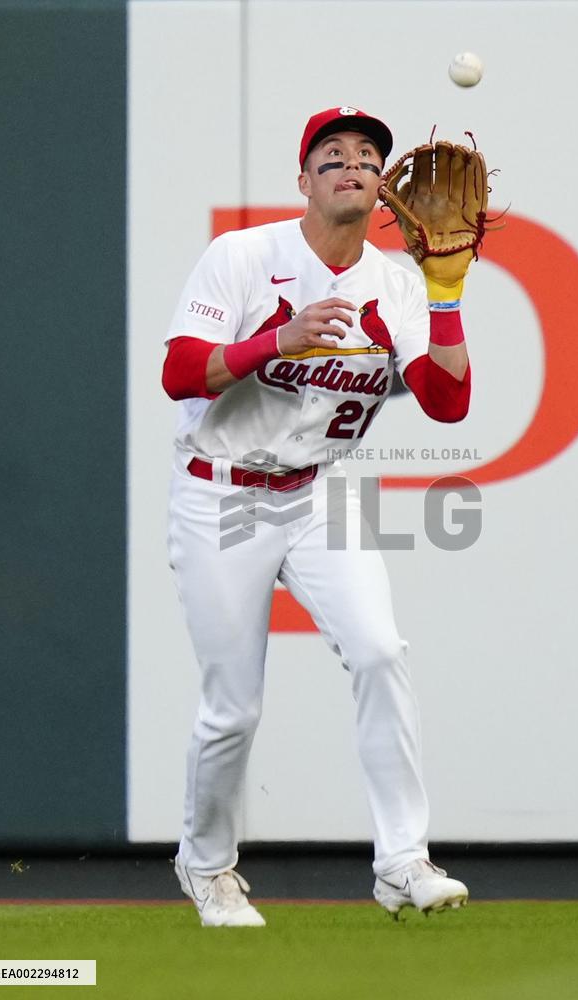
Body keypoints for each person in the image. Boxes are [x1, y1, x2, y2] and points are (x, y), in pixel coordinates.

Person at [162, 107, 472, 928]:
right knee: (233, 707)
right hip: (219, 489)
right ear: (303, 181)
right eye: (330, 154)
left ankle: (403, 861)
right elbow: (179, 374)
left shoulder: (397, 283)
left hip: (316, 492)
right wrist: (276, 341)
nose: (350, 163)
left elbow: (446, 402)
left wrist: (446, 294)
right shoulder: (244, 256)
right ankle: (207, 868)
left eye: (367, 155)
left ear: (382, 189)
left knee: (379, 651)